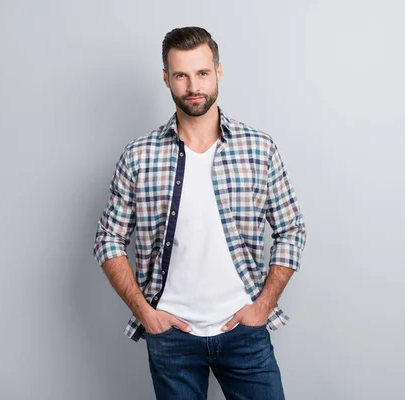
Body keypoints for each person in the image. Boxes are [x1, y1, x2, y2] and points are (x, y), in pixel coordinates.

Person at [93, 26, 306, 400]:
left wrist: (265, 305)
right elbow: (108, 239)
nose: (194, 85)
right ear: (166, 79)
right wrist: (146, 313)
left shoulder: (259, 148)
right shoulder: (139, 156)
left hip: (244, 332)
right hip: (171, 336)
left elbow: (291, 229)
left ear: (218, 73)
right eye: (181, 75)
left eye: (202, 73)